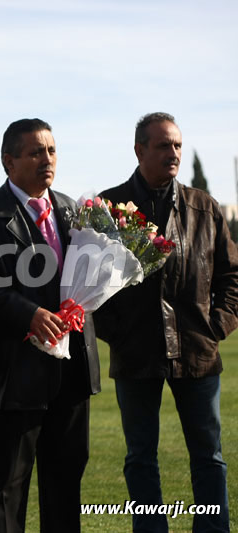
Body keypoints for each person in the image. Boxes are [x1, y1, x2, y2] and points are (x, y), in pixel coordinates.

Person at [94, 112, 238, 532]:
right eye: (163, 145)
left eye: (177, 145)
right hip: (135, 351)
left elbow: (232, 276)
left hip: (197, 350)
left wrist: (216, 327)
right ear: (139, 150)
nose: (173, 153)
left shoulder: (204, 206)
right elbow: (90, 285)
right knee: (141, 457)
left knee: (208, 456)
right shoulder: (108, 208)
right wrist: (116, 333)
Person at [0, 118, 100, 533]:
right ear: (9, 161)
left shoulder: (74, 210)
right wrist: (28, 314)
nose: (47, 159)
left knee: (65, 482)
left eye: (52, 150)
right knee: (6, 490)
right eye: (36, 151)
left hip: (72, 370)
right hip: (14, 371)